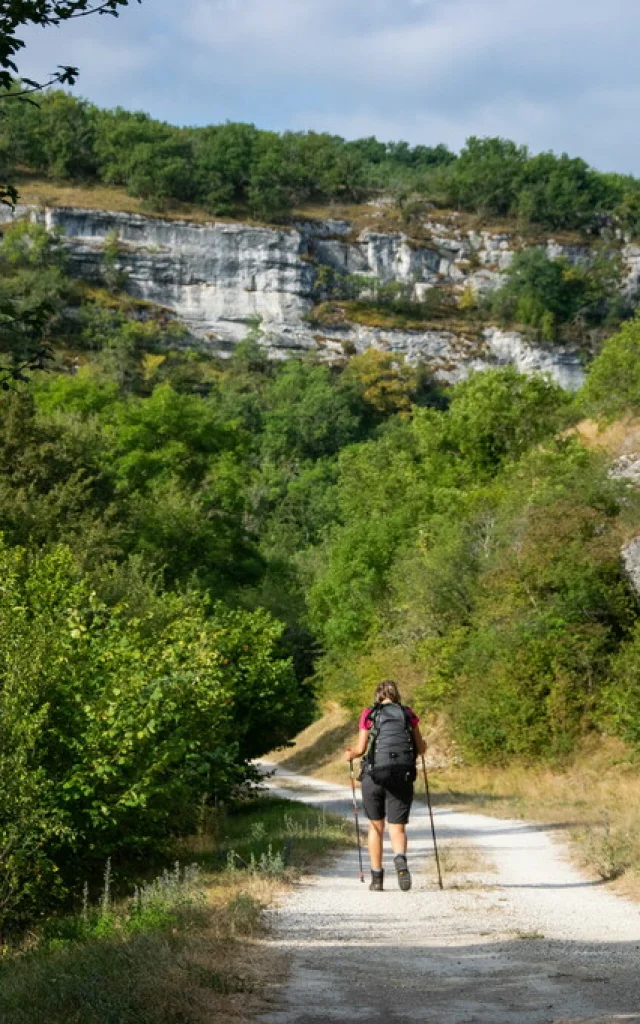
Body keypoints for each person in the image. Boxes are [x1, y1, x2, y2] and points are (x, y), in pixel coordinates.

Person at [345, 680, 425, 892]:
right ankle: (399, 858)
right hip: (401, 776)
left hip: (374, 777)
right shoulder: (408, 714)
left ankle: (377, 878)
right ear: (396, 694)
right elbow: (421, 747)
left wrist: (349, 753)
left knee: (376, 827)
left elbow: (361, 749)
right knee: (397, 828)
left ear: (378, 695)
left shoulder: (369, 714)